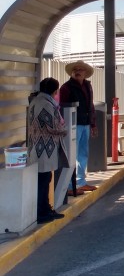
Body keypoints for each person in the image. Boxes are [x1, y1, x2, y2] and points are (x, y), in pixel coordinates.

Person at [27, 78, 68, 224]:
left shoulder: (37, 101)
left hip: (40, 148)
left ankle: (46, 209)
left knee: (44, 180)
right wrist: (65, 131)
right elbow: (52, 126)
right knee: (43, 181)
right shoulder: (44, 103)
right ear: (55, 91)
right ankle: (42, 213)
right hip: (43, 149)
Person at [57, 60, 97, 193]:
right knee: (71, 155)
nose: (78, 71)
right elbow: (61, 108)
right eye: (75, 70)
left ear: (85, 73)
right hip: (72, 125)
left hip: (85, 124)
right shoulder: (66, 87)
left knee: (83, 154)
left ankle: (81, 182)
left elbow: (90, 105)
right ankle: (69, 185)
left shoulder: (88, 86)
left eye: (80, 69)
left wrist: (93, 124)